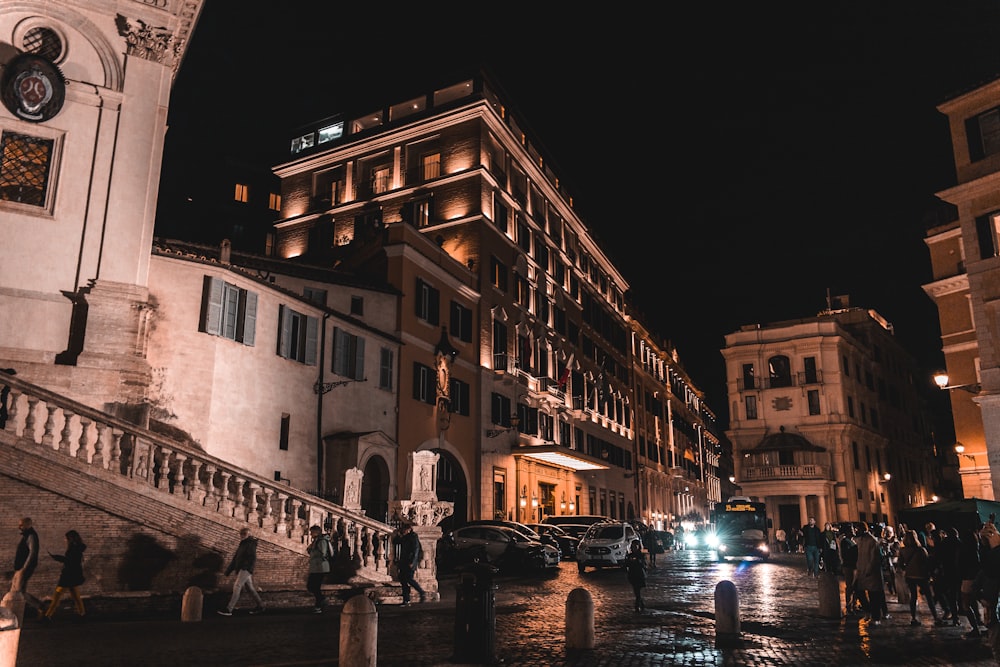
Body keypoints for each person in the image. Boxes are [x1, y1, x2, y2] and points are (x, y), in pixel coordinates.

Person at [899, 529, 944, 627]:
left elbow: (900, 564)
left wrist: (908, 568)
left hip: (910, 576)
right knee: (929, 597)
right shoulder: (921, 550)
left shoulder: (902, 550)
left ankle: (914, 618)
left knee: (913, 597)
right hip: (921, 575)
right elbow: (927, 563)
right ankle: (936, 618)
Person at [216, 527, 265, 616]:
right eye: (241, 534)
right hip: (242, 568)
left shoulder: (250, 543)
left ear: (248, 535)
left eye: (244, 534)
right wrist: (228, 571)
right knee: (250, 589)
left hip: (245, 569)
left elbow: (252, 558)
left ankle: (229, 609)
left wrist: (246, 568)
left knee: (237, 586)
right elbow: (236, 558)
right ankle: (260, 606)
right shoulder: (242, 544)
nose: (241, 536)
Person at [43, 530, 86, 620]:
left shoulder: (73, 549)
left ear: (70, 539)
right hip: (73, 577)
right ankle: (82, 614)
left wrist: (57, 557)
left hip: (67, 577)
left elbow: (69, 561)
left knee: (57, 596)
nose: (64, 540)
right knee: (76, 597)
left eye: (66, 538)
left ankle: (48, 616)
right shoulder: (77, 548)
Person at [11, 517, 44, 619]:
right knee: (16, 591)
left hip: (23, 569)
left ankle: (39, 605)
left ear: (28, 525)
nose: (19, 527)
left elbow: (32, 553)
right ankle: (18, 612)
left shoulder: (31, 536)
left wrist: (24, 568)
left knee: (18, 592)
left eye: (21, 525)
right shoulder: (26, 536)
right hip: (20, 568)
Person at [855, 522, 886, 625]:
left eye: (857, 529)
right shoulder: (860, 540)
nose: (856, 531)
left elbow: (874, 558)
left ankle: (876, 617)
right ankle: (868, 611)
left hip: (871, 573)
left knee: (874, 596)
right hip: (862, 571)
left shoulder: (872, 540)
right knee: (859, 591)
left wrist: (868, 569)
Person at [394, 522, 425, 606]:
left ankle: (421, 592)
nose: (403, 531)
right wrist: (398, 534)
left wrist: (412, 562)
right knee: (403, 579)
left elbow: (415, 550)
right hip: (404, 561)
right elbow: (396, 541)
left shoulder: (413, 537)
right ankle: (406, 600)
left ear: (408, 529)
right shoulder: (406, 537)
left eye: (404, 529)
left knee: (408, 578)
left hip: (409, 562)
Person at [306, 525, 332, 613]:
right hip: (316, 567)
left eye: (312, 532)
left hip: (320, 567)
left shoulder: (321, 541)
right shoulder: (316, 541)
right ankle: (321, 602)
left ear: (316, 532)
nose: (310, 534)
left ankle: (319, 605)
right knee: (312, 586)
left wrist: (314, 553)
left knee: (314, 586)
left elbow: (323, 553)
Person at [840, 524, 860, 615]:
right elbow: (846, 554)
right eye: (852, 529)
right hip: (849, 566)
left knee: (856, 586)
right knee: (850, 586)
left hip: (855, 566)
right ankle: (849, 606)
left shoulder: (853, 541)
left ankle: (855, 605)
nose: (854, 531)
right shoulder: (845, 541)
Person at [624, 539, 647, 611]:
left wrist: (638, 561)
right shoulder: (630, 555)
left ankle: (637, 605)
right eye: (633, 546)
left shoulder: (641, 555)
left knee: (637, 591)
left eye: (636, 546)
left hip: (639, 575)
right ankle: (641, 604)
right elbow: (626, 564)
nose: (634, 548)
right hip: (632, 575)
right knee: (636, 591)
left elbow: (644, 565)